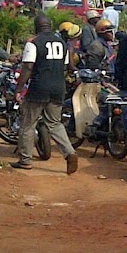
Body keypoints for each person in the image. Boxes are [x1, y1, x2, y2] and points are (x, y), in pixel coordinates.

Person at [10, 14, 79, 174]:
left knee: (28, 123)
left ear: (36, 27)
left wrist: (19, 89)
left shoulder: (33, 43)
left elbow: (27, 67)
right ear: (50, 25)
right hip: (58, 87)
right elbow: (68, 65)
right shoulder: (61, 43)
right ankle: (70, 152)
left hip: (39, 87)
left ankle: (25, 160)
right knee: (55, 123)